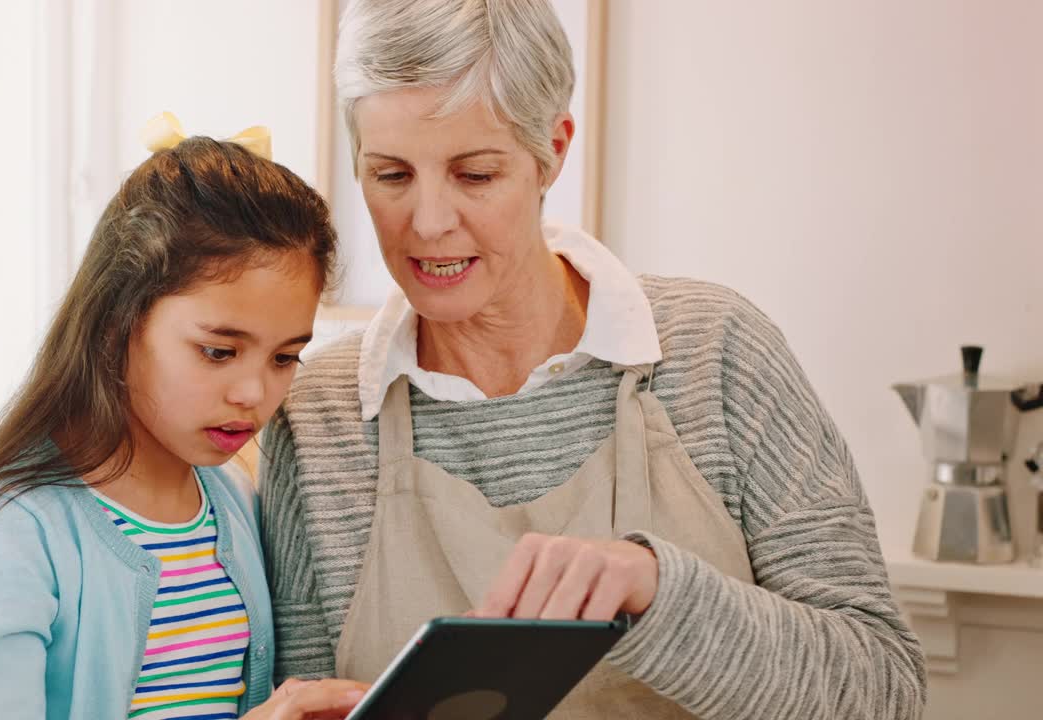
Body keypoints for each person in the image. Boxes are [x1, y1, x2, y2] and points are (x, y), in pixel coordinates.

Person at [259, 1, 926, 718]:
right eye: (390, 176)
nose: (427, 222)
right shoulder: (316, 412)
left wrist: (658, 591)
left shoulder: (718, 352)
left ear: (554, 148)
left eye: (475, 175)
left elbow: (885, 692)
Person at [0, 119, 368, 720]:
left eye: (285, 357)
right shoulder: (7, 535)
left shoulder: (231, 501)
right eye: (218, 351)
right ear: (119, 322)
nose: (254, 392)